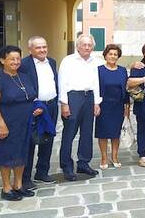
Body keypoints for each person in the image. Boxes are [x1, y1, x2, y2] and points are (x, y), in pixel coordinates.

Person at [0, 46, 40, 201]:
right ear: (3, 60)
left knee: (22, 153)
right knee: (6, 155)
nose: (16, 62)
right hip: (6, 122)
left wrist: (37, 108)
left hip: (24, 123)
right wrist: (1, 124)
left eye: (18, 59)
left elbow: (31, 96)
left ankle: (18, 185)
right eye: (12, 59)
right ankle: (6, 187)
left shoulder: (24, 76)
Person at [58, 34, 103, 181]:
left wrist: (96, 102)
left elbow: (96, 82)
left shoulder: (94, 61)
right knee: (69, 133)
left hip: (89, 97)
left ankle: (83, 162)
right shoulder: (68, 61)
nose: (87, 47)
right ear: (77, 46)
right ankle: (66, 166)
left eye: (90, 45)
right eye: (84, 45)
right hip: (73, 98)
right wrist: (64, 103)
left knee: (86, 132)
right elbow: (62, 82)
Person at [19, 36, 58, 190]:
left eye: (44, 47)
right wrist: (32, 105)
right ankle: (25, 177)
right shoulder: (24, 64)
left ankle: (42, 172)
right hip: (34, 108)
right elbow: (23, 85)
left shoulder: (52, 62)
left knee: (48, 138)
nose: (42, 50)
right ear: (30, 50)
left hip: (51, 106)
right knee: (30, 142)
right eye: (38, 47)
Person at [95, 44, 129, 170]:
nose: (113, 56)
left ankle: (114, 156)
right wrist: (96, 104)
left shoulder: (122, 70)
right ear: (105, 55)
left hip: (118, 105)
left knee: (116, 133)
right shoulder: (98, 70)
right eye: (110, 54)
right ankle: (104, 157)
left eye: (115, 54)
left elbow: (126, 89)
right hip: (103, 105)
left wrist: (127, 107)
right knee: (103, 133)